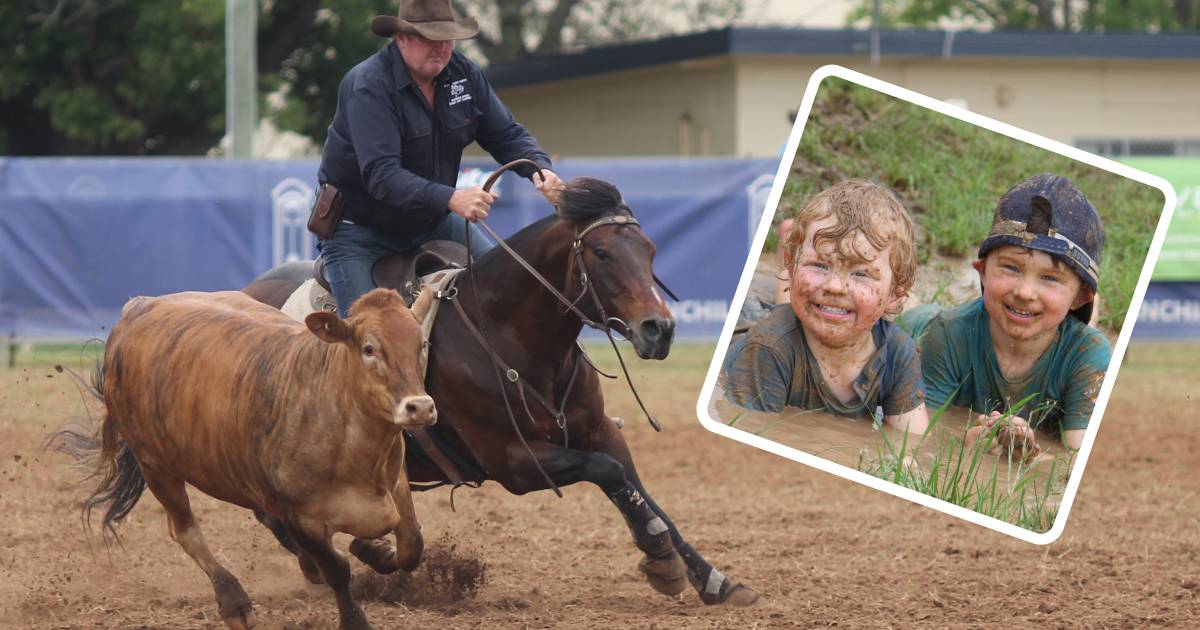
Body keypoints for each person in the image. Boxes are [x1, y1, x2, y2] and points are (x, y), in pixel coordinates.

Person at [316, 0, 562, 316]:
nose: (442, 48)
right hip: (358, 231)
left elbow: (506, 134)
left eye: (447, 38)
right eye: (430, 38)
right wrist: (452, 198)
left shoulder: (465, 75)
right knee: (374, 342)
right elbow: (381, 175)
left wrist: (539, 169)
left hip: (431, 221)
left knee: (512, 291)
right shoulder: (368, 84)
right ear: (402, 38)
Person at [897, 173, 1111, 450]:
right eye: (1011, 268)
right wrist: (965, 442)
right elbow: (917, 434)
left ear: (1081, 296)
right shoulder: (946, 334)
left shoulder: (1088, 354)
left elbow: (1075, 454)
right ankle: (907, 299)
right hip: (921, 325)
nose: (1024, 292)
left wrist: (1031, 453)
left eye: (1050, 278)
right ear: (982, 271)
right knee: (904, 311)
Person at [722, 180, 928, 434]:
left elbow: (913, 443)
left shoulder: (899, 352)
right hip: (751, 330)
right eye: (819, 265)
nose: (835, 286)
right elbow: (747, 436)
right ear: (791, 266)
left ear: (897, 295)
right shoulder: (768, 348)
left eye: (861, 273)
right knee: (756, 312)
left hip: (800, 311)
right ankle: (788, 249)